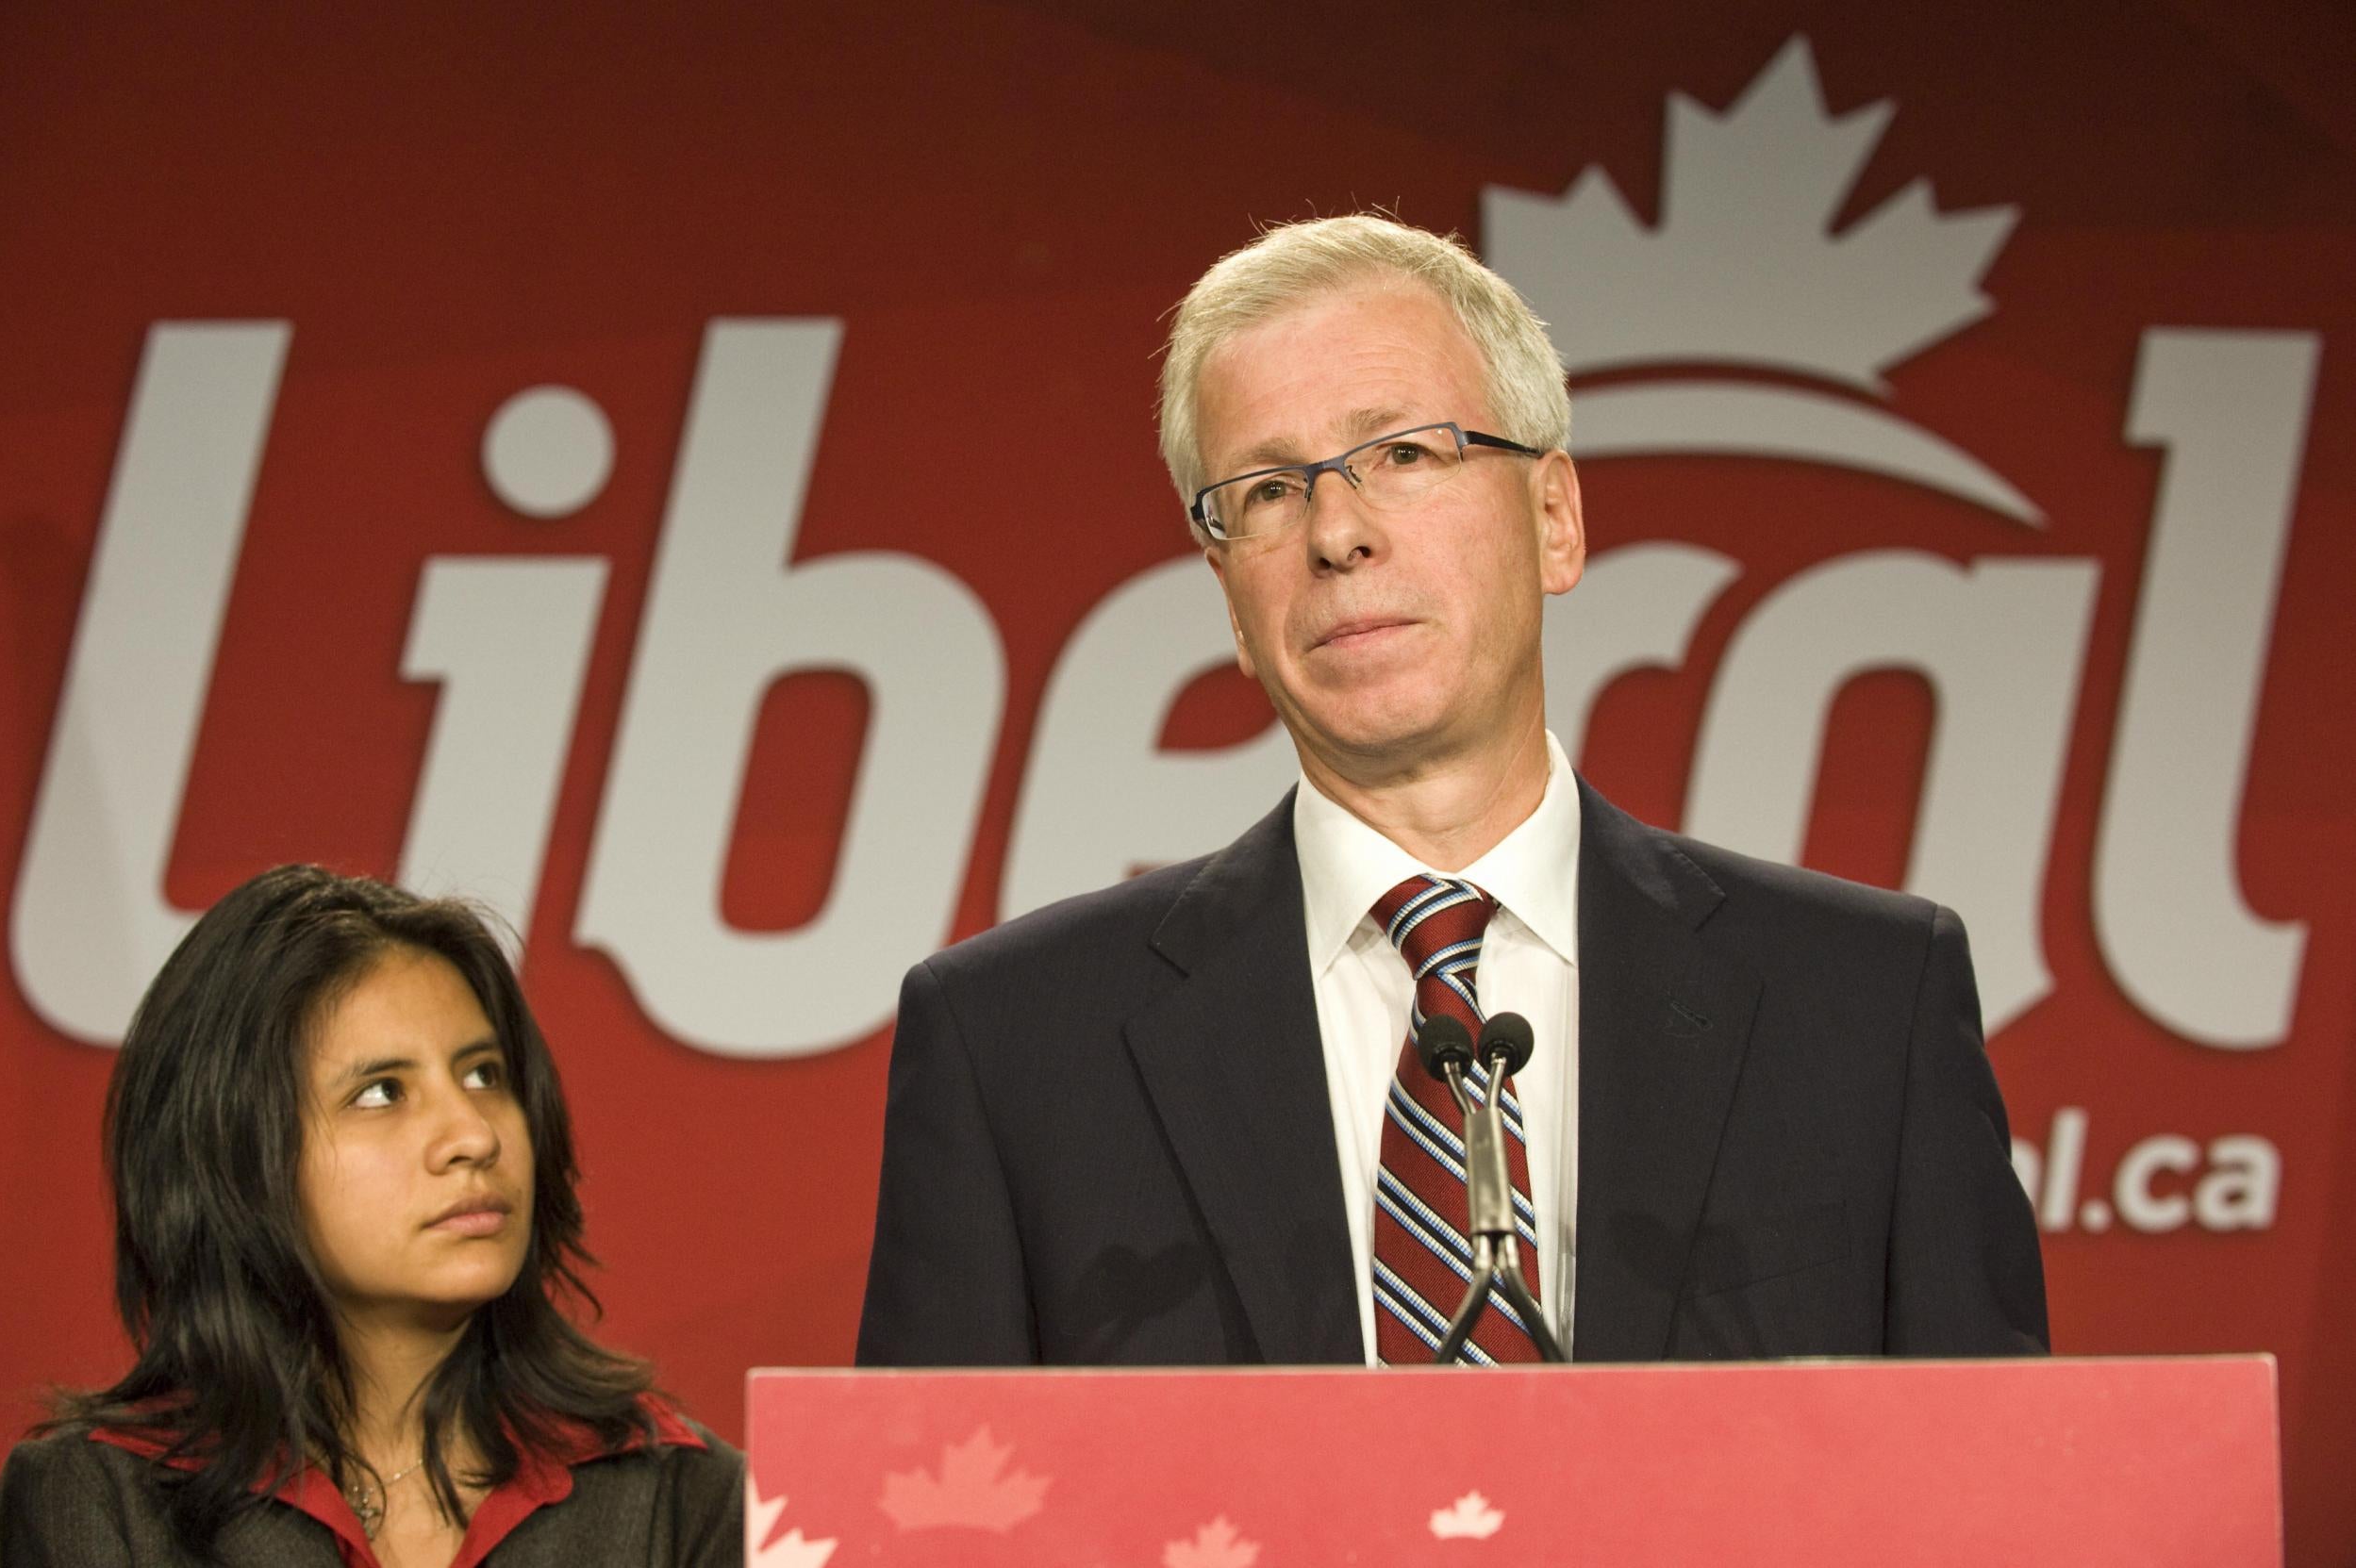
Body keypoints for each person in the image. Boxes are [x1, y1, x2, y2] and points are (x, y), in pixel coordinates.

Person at [857, 213, 2048, 1368]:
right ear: (1227, 595)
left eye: (1404, 455)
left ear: (1554, 518)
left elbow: (2000, 1495)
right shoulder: (1014, 1049)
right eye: (1267, 490)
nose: (1336, 533)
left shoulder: (1861, 1005)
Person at [0, 866, 742, 1565]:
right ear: (235, 1153)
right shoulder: (97, 1501)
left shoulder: (685, 1500)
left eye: (485, 1075)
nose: (474, 1136)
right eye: (382, 1091)